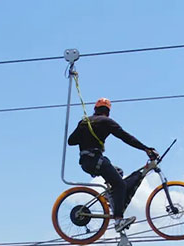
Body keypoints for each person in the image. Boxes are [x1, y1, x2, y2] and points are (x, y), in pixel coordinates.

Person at [68, 98, 158, 232]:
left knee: (118, 172)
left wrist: (85, 130)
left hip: (87, 162)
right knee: (120, 184)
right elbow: (126, 137)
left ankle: (108, 198)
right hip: (96, 160)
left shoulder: (84, 122)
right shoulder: (106, 122)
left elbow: (71, 141)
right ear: (108, 112)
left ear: (95, 109)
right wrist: (145, 148)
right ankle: (118, 220)